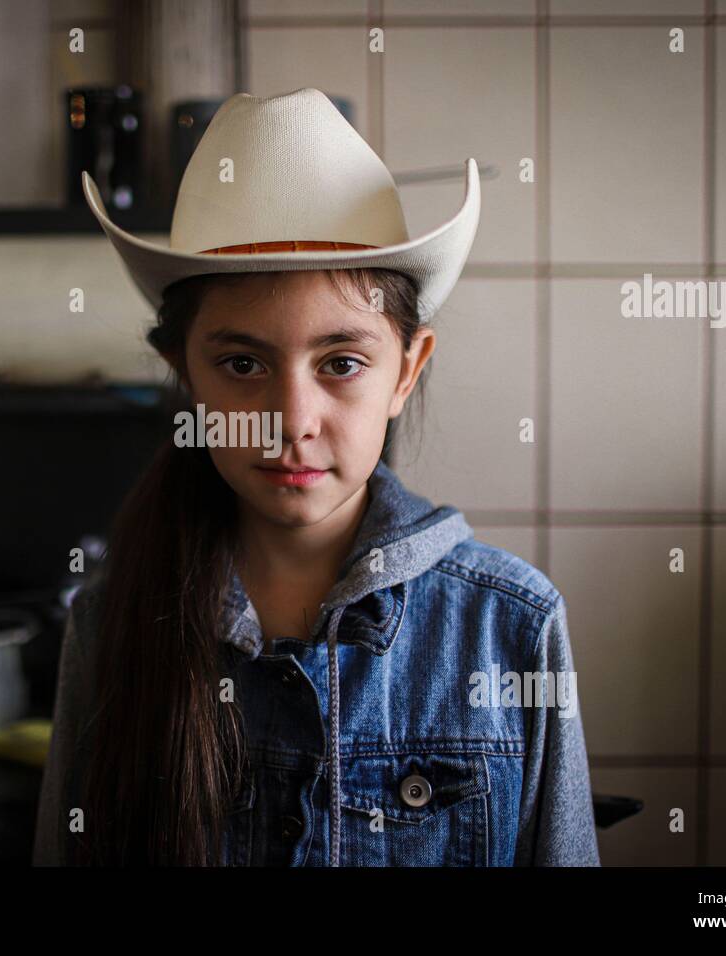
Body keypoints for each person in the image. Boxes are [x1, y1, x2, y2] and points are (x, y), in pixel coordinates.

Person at [33, 88, 599, 866]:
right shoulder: (109, 624)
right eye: (241, 364)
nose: (291, 420)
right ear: (186, 375)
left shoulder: (513, 631)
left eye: (341, 364)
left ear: (407, 370)